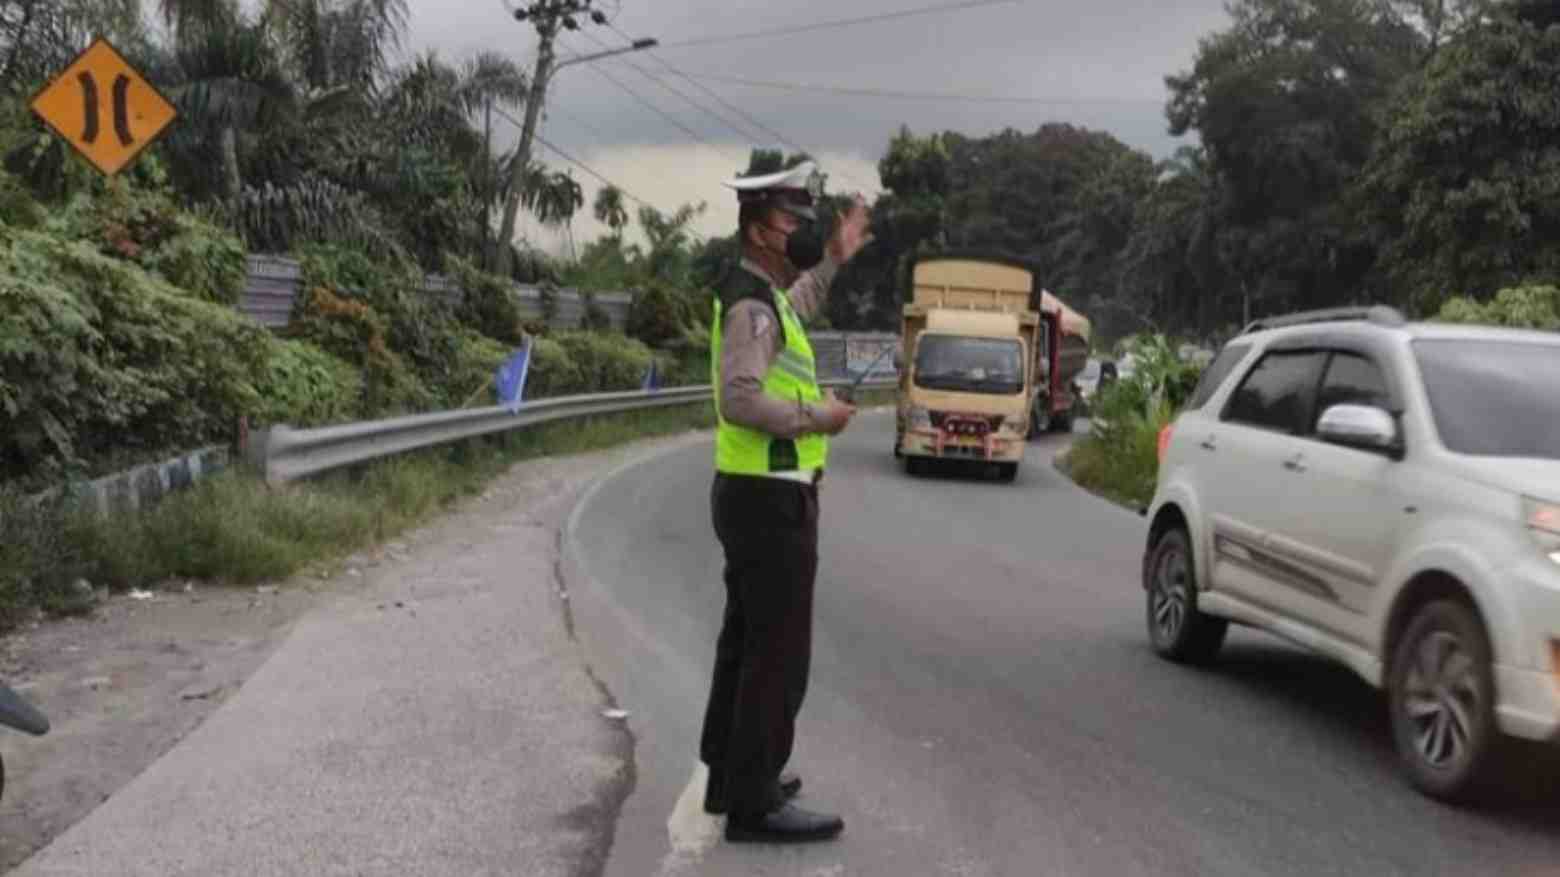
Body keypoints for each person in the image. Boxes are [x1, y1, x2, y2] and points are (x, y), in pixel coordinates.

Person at [698, 158, 872, 844]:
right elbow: (740, 398)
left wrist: (831, 260)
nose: (798, 227)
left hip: (756, 494)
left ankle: (730, 774)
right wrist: (817, 416)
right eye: (788, 219)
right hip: (767, 498)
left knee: (745, 644)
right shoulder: (748, 301)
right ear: (757, 228)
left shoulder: (763, 296)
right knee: (778, 655)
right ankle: (755, 800)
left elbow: (795, 306)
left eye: (804, 219)